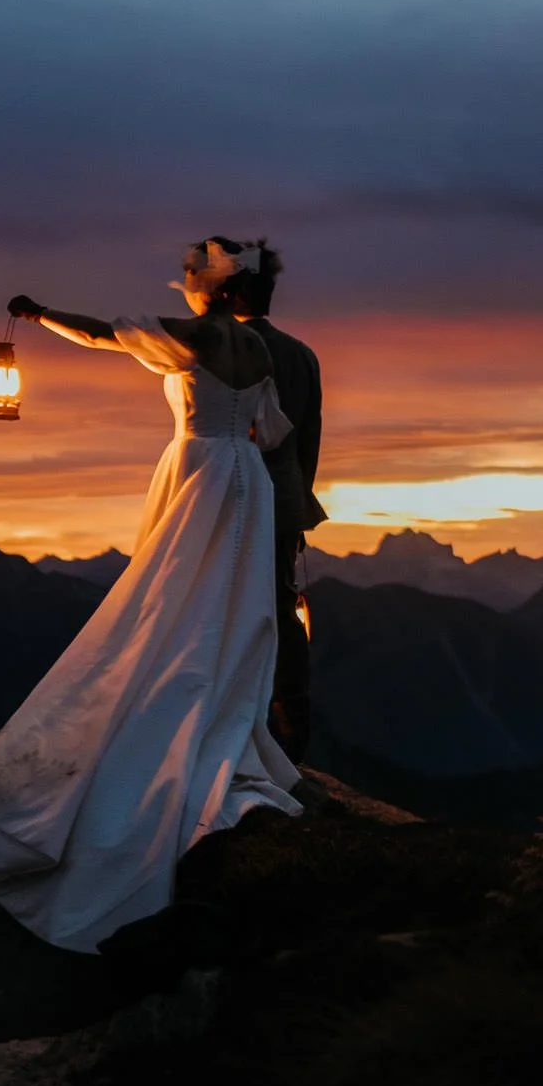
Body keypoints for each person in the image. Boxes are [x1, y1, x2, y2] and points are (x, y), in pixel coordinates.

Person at [0, 237, 303, 953]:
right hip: (246, 480)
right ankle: (219, 709)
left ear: (214, 287)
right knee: (229, 605)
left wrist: (38, 311)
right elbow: (270, 430)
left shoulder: (193, 335)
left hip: (199, 466)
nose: (183, 280)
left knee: (168, 600)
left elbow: (99, 333)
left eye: (193, 273)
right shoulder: (261, 352)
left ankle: (157, 714)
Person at [225, 245, 324, 762]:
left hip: (233, 494)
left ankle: (231, 720)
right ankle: (292, 724)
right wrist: (299, 501)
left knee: (225, 605)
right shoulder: (302, 354)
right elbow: (309, 439)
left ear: (230, 291)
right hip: (285, 498)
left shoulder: (227, 347)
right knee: (284, 613)